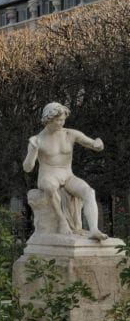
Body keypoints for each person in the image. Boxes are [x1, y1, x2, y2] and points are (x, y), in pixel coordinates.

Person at [22, 102, 107, 240]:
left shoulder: (70, 134)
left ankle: (94, 229)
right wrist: (33, 151)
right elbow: (27, 168)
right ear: (48, 120)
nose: (62, 123)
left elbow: (92, 143)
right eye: (58, 120)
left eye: (63, 119)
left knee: (89, 191)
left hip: (68, 176)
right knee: (50, 187)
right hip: (48, 176)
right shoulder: (38, 140)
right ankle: (62, 221)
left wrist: (98, 144)